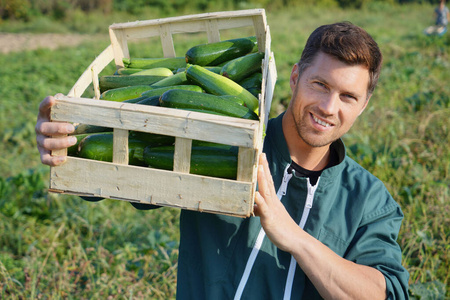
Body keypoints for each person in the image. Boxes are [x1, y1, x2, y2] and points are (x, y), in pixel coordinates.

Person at [36, 21, 410, 299]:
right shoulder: (222, 140)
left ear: (363, 105)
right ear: (295, 78)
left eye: (347, 97)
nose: (329, 108)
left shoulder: (368, 202)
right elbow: (119, 174)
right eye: (320, 85)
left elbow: (384, 291)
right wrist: (66, 144)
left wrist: (293, 235)